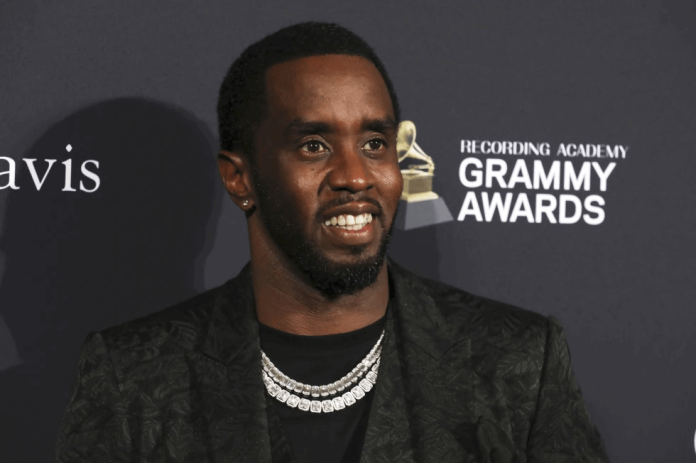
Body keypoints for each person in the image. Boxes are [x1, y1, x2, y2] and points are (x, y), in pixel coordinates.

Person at [55, 22, 608, 463]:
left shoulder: (516, 360)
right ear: (239, 178)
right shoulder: (135, 376)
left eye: (374, 141)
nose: (355, 175)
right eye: (314, 145)